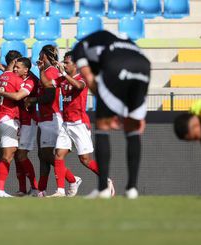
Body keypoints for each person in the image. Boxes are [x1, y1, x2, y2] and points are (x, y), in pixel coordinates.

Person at [72, 30, 150, 199]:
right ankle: (132, 189)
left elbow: (82, 58)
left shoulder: (85, 45)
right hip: (144, 66)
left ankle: (103, 189)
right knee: (133, 128)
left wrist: (90, 79)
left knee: (102, 126)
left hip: (116, 65)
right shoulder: (129, 44)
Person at [25, 45, 81, 197]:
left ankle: (72, 179)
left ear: (44, 55)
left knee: (49, 155)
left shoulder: (51, 72)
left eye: (40, 54)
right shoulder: (46, 71)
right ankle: (41, 190)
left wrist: (33, 100)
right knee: (42, 156)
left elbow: (50, 96)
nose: (38, 57)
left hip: (51, 117)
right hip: (44, 117)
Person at [49, 52, 101, 197]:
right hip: (66, 124)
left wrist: (64, 74)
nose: (64, 65)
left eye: (67, 62)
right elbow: (47, 84)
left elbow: (78, 86)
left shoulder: (81, 78)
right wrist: (46, 67)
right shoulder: (63, 80)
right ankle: (60, 190)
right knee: (58, 155)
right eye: (64, 62)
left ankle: (106, 180)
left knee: (85, 159)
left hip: (79, 123)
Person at [0, 56, 39, 196]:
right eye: (14, 66)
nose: (15, 68)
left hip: (28, 121)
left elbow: (19, 96)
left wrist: (1, 92)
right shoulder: (14, 78)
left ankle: (36, 188)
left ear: (26, 70)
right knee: (15, 154)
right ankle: (22, 189)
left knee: (21, 155)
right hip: (16, 120)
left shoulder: (30, 81)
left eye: (18, 67)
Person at [0, 51, 25, 197]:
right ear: (15, 61)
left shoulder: (0, 78)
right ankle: (0, 190)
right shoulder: (15, 79)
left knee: (1, 156)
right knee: (8, 156)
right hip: (8, 118)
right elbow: (22, 95)